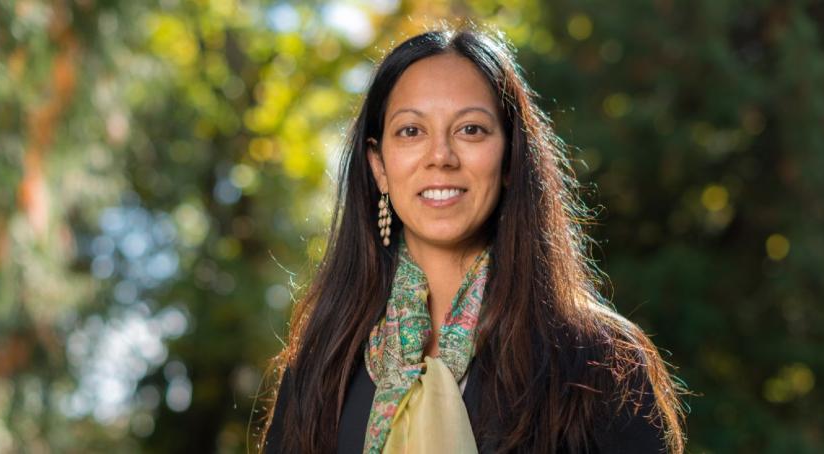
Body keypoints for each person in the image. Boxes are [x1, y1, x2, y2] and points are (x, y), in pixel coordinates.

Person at [259, 25, 687, 453]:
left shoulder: (596, 361)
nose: (441, 156)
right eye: (411, 131)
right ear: (379, 167)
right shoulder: (322, 365)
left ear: (509, 158)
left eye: (471, 130)